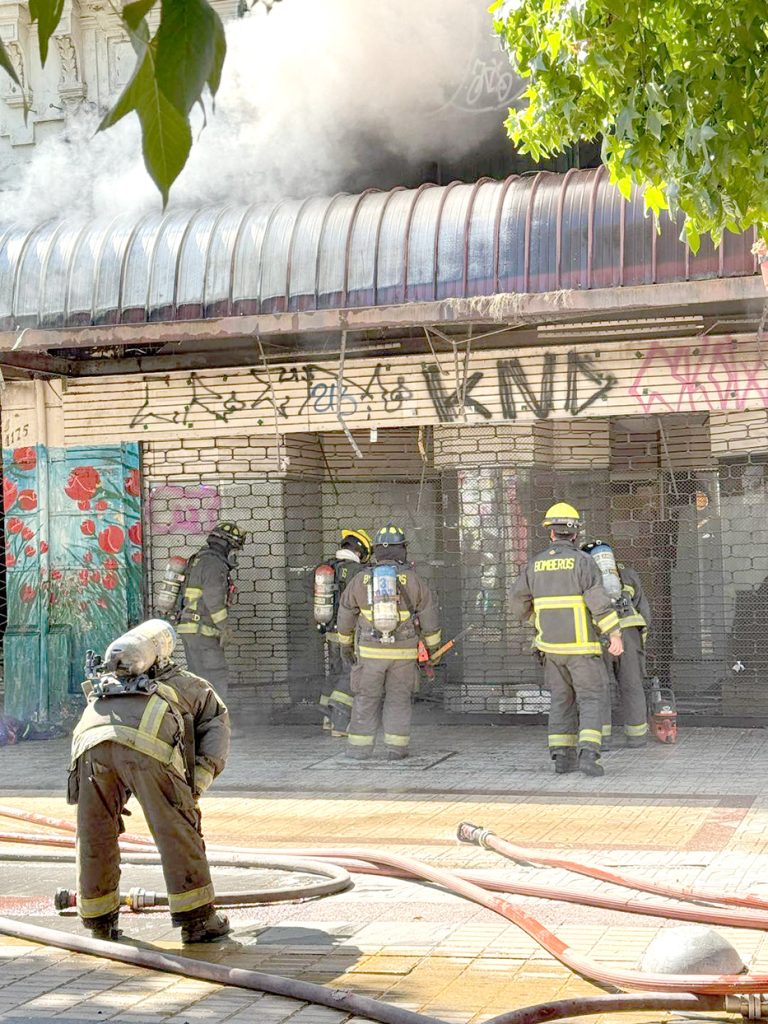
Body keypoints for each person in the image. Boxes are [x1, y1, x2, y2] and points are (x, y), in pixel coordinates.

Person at [67, 620, 231, 944]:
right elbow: (216, 722)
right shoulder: (185, 683)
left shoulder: (105, 682)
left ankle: (100, 920)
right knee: (176, 828)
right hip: (145, 749)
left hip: (89, 748)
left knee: (94, 832)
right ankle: (198, 920)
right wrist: (196, 782)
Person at [511, 503, 623, 778]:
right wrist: (614, 633)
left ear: (550, 533)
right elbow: (598, 603)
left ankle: (562, 757)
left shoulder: (534, 564)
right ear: (574, 535)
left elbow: (516, 604)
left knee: (561, 700)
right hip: (582, 649)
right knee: (591, 699)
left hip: (550, 650)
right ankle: (588, 755)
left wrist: (539, 622)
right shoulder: (584, 562)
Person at [336, 524, 441, 761]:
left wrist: (345, 645)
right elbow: (430, 618)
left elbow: (345, 616)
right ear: (403, 549)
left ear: (376, 551)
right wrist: (433, 649)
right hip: (403, 654)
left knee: (365, 698)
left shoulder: (360, 579)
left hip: (370, 653)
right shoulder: (414, 580)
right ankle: (396, 748)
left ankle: (359, 749)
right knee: (398, 699)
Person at [582, 541, 652, 748]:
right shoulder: (628, 574)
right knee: (632, 684)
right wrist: (640, 640)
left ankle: (603, 739)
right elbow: (643, 609)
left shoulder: (584, 574)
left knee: (599, 687)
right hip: (629, 633)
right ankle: (637, 736)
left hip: (599, 633)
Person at [177, 522, 246, 703]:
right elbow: (213, 600)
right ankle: (218, 725)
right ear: (226, 545)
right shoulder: (215, 564)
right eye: (234, 549)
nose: (235, 554)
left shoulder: (197, 560)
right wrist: (225, 628)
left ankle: (200, 724)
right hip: (203, 632)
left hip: (189, 629)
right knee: (216, 675)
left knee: (198, 680)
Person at [315, 528, 373, 737]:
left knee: (335, 671)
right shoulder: (358, 572)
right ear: (360, 551)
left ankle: (327, 719)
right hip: (349, 632)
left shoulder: (326, 567)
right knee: (350, 673)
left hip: (329, 630)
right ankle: (340, 723)